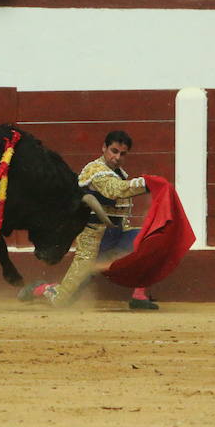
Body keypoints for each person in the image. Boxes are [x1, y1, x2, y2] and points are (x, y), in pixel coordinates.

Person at [17, 131, 157, 310]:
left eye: (122, 154)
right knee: (62, 301)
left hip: (117, 234)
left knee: (150, 241)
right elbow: (115, 190)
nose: (117, 157)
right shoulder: (95, 170)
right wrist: (146, 183)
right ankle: (42, 288)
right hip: (93, 240)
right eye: (114, 151)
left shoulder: (120, 173)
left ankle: (139, 295)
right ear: (104, 148)